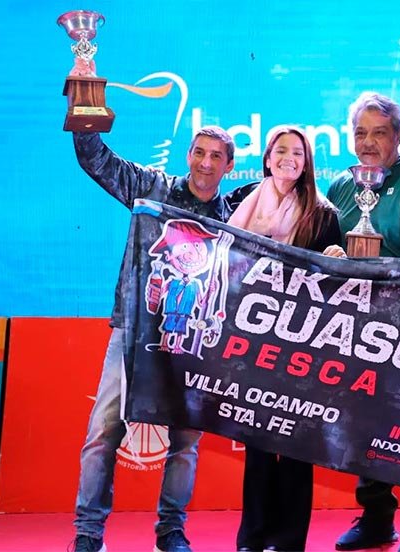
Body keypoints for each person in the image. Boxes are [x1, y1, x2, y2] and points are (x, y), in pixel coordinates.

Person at [70, 126, 253, 552]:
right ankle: (88, 534)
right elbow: (95, 159)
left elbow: (290, 197)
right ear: (188, 155)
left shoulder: (236, 214)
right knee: (103, 432)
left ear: (229, 166)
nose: (206, 163)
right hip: (134, 332)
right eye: (200, 152)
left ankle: (171, 531)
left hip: (195, 342)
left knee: (185, 442)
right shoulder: (153, 189)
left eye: (216, 156)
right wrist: (83, 114)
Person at [324, 92, 400, 552]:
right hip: (357, 331)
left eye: (379, 133)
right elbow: (324, 253)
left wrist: (384, 280)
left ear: (398, 136)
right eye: (360, 133)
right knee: (363, 426)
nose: (368, 142)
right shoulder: (341, 187)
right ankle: (377, 520)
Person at [228, 126, 341, 552]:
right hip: (252, 336)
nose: (288, 158)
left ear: (307, 161)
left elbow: (335, 285)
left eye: (297, 151)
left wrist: (336, 261)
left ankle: (290, 539)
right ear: (267, 157)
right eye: (280, 150)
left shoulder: (324, 214)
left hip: (301, 340)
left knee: (296, 440)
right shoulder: (242, 201)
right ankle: (252, 537)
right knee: (257, 439)